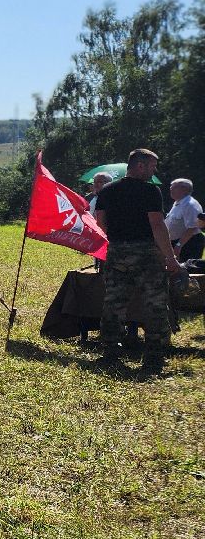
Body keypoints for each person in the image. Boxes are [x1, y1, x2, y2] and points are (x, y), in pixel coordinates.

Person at [92, 149, 181, 372]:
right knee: (154, 304)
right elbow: (157, 225)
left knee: (113, 304)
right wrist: (170, 257)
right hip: (146, 254)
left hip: (116, 252)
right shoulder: (150, 191)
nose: (154, 171)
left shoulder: (106, 191)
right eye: (152, 166)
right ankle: (154, 357)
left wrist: (112, 246)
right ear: (140, 166)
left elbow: (100, 224)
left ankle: (110, 353)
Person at [164, 178, 204, 261]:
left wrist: (178, 246)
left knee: (187, 267)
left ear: (184, 189)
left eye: (174, 187)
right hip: (180, 243)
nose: (170, 189)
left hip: (189, 243)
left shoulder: (190, 204)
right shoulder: (178, 203)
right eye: (171, 186)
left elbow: (192, 228)